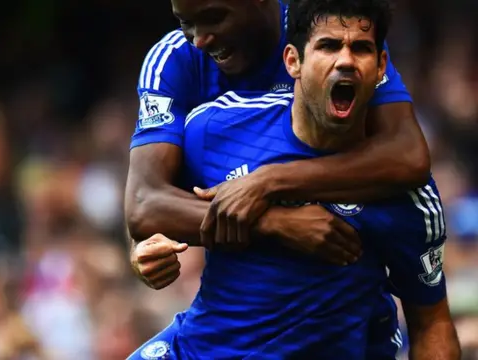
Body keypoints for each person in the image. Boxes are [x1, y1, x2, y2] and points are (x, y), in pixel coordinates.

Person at [127, 0, 461, 359]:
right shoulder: (209, 123)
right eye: (185, 23)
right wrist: (275, 223)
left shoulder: (331, 21)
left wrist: (265, 182)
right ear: (292, 61)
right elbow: (150, 206)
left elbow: (431, 322)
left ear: (380, 69)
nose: (198, 40)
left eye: (214, 17)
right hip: (202, 346)